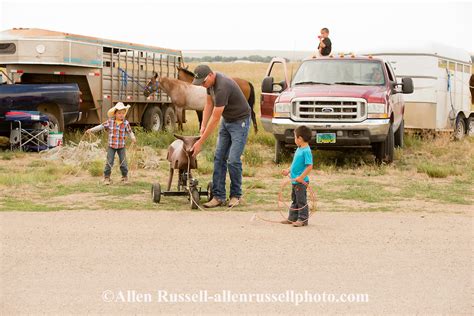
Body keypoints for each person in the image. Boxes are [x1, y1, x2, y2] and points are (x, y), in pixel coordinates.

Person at [191, 64, 251, 208]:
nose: (203, 86)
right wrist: (203, 125)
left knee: (233, 160)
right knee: (219, 157)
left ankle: (236, 196)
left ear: (211, 75)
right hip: (227, 120)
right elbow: (208, 104)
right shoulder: (209, 85)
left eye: (204, 82)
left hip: (240, 121)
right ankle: (218, 197)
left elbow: (216, 117)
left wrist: (201, 142)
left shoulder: (222, 86)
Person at [86, 102, 136, 185]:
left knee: (123, 162)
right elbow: (101, 127)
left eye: (123, 113)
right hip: (111, 146)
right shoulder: (110, 122)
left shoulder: (126, 123)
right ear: (115, 114)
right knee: (109, 161)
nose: (121, 115)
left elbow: (130, 132)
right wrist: (91, 130)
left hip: (121, 146)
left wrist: (133, 138)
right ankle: (107, 178)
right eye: (119, 113)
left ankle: (124, 177)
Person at [280, 126, 313, 227]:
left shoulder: (306, 151)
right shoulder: (299, 149)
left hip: (301, 182)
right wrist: (288, 170)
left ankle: (303, 219)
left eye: (295, 137)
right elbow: (295, 164)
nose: (294, 139)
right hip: (295, 181)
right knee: (295, 200)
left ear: (300, 139)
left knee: (301, 201)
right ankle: (292, 218)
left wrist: (301, 177)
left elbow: (310, 166)